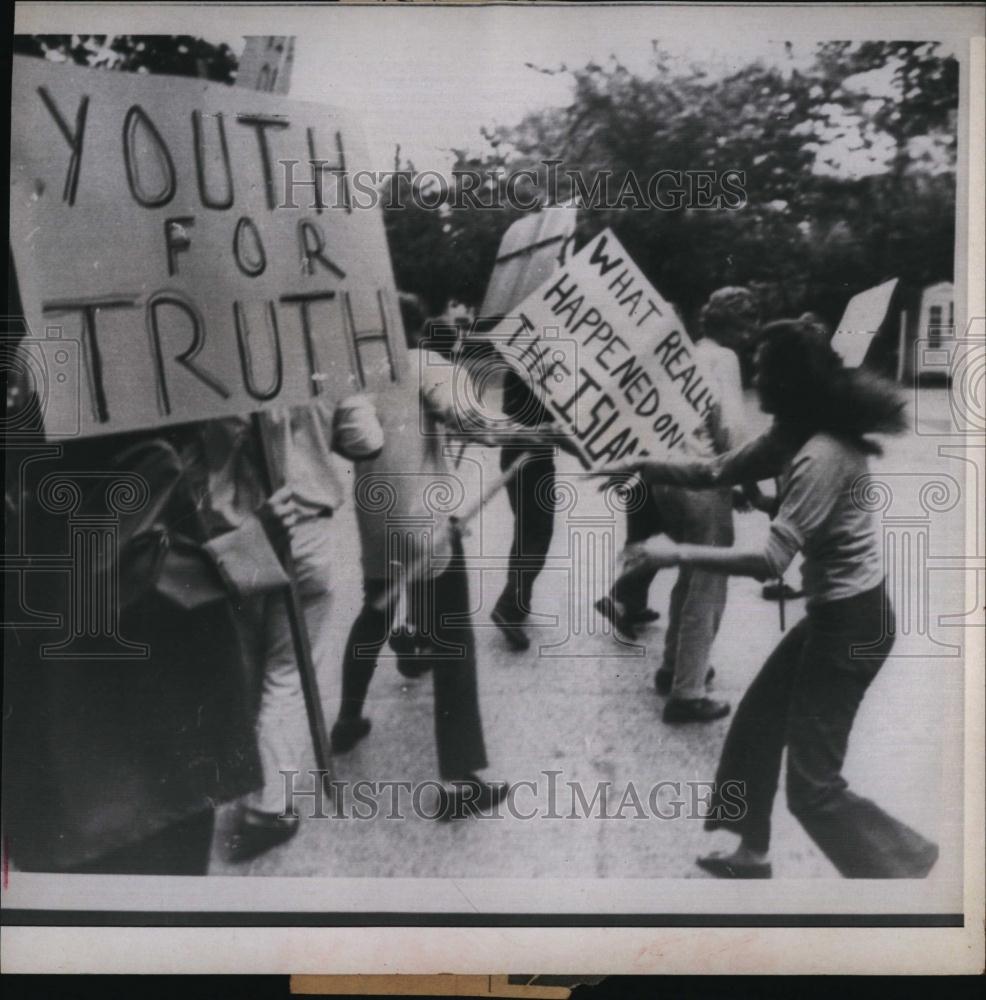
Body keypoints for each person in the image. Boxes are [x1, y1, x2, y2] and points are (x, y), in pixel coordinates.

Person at [601, 317, 939, 878]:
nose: (753, 375)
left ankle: (911, 878)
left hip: (852, 626)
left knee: (813, 791)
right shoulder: (794, 434)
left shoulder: (821, 454)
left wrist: (674, 554)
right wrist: (640, 464)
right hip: (837, 615)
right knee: (756, 727)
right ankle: (751, 852)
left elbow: (769, 562)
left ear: (787, 381)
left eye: (761, 368)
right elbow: (716, 469)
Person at [332, 298, 528, 819]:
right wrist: (528, 431)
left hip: (377, 522)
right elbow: (474, 418)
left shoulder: (349, 373)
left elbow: (356, 439)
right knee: (453, 640)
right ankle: (461, 779)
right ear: (411, 328)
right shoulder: (422, 363)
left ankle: (348, 717)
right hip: (427, 524)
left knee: (374, 612)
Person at [226, 397, 384, 861]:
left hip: (243, 526)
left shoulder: (223, 364)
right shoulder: (320, 353)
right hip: (307, 529)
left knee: (253, 661)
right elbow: (367, 441)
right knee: (286, 672)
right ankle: (269, 807)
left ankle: (254, 785)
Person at [602, 287, 757, 722]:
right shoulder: (723, 359)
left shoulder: (681, 355)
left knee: (689, 576)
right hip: (703, 477)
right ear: (731, 324)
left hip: (665, 478)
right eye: (748, 322)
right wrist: (746, 480)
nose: (752, 332)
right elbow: (730, 429)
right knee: (707, 584)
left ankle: (675, 667)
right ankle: (687, 689)